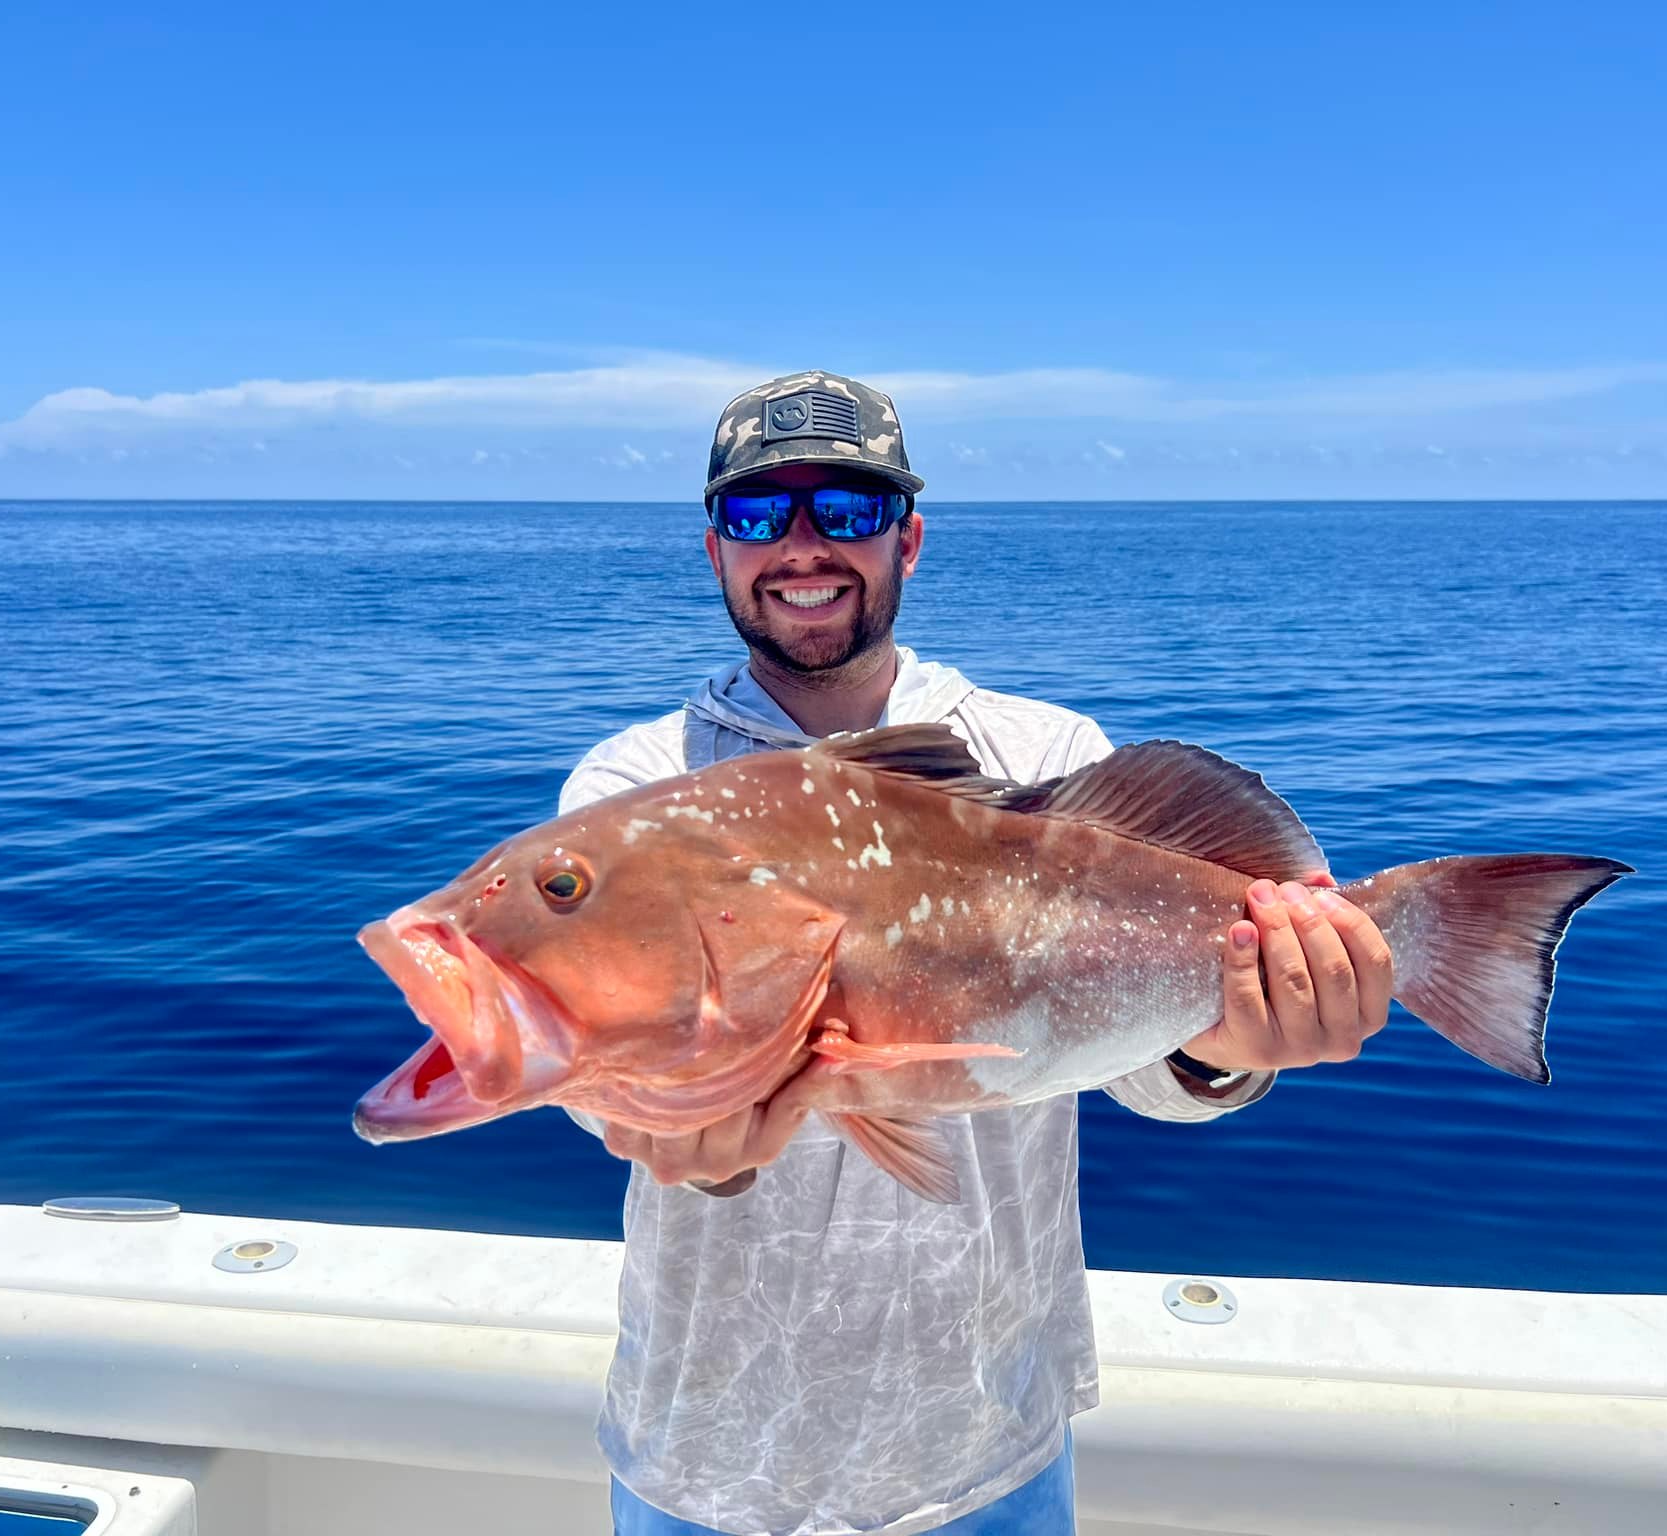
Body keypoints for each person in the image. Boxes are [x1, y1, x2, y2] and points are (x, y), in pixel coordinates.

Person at [558, 372, 1394, 1536]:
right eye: (758, 516)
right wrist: (678, 1135)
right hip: (704, 1454)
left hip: (986, 1450)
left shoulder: (1045, 751)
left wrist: (1229, 1052)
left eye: (844, 511)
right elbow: (603, 1087)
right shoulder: (632, 792)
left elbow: (1143, 1071)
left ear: (907, 537)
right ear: (713, 550)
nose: (802, 547)